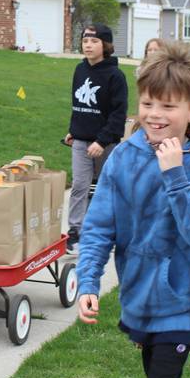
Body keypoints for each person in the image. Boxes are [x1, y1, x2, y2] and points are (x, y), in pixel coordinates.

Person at [76, 43, 190, 378]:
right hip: (139, 295)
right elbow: (99, 227)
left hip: (183, 299)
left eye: (168, 106)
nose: (155, 114)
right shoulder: (123, 158)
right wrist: (88, 282)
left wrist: (175, 176)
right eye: (147, 103)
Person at [64, 23, 128, 255]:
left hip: (106, 143)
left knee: (105, 188)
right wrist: (74, 129)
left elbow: (118, 114)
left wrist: (101, 141)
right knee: (80, 186)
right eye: (85, 40)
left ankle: (106, 231)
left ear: (106, 45)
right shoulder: (80, 70)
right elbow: (78, 105)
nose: (88, 45)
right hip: (81, 141)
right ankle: (75, 232)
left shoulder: (115, 76)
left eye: (94, 41)